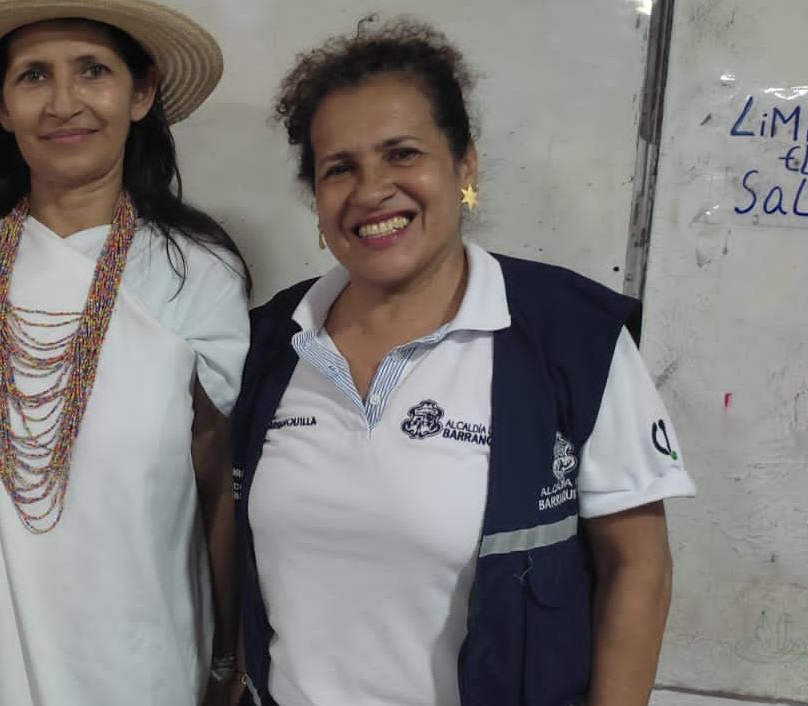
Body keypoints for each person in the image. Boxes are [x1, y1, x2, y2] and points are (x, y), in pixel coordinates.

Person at [232, 17, 697, 706]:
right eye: (340, 169)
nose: (372, 191)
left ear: (464, 165)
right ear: (318, 198)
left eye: (402, 154)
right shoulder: (274, 341)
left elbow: (639, 568)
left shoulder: (567, 337)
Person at [0, 1, 249, 704]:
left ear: (140, 92)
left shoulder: (196, 273)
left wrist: (228, 653)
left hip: (136, 658)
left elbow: (214, 480)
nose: (63, 103)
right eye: (32, 76)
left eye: (92, 72)